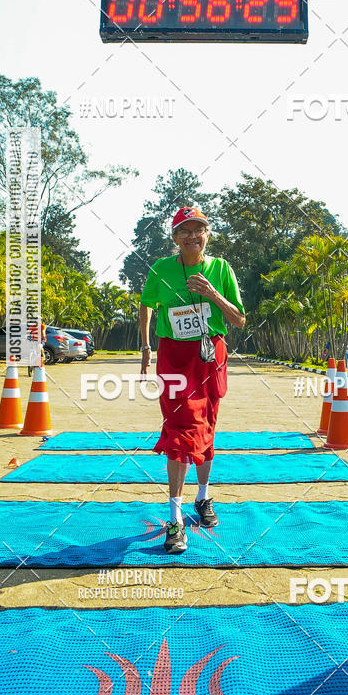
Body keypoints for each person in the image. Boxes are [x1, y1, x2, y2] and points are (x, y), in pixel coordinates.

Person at [139, 206, 246, 553]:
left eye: (198, 229)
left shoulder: (221, 268)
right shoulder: (161, 269)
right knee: (180, 429)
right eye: (184, 230)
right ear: (175, 237)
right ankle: (175, 519)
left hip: (210, 356)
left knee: (207, 426)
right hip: (173, 355)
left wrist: (213, 294)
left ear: (207, 234)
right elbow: (146, 304)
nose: (192, 236)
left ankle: (202, 497)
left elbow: (239, 319)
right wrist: (145, 346)